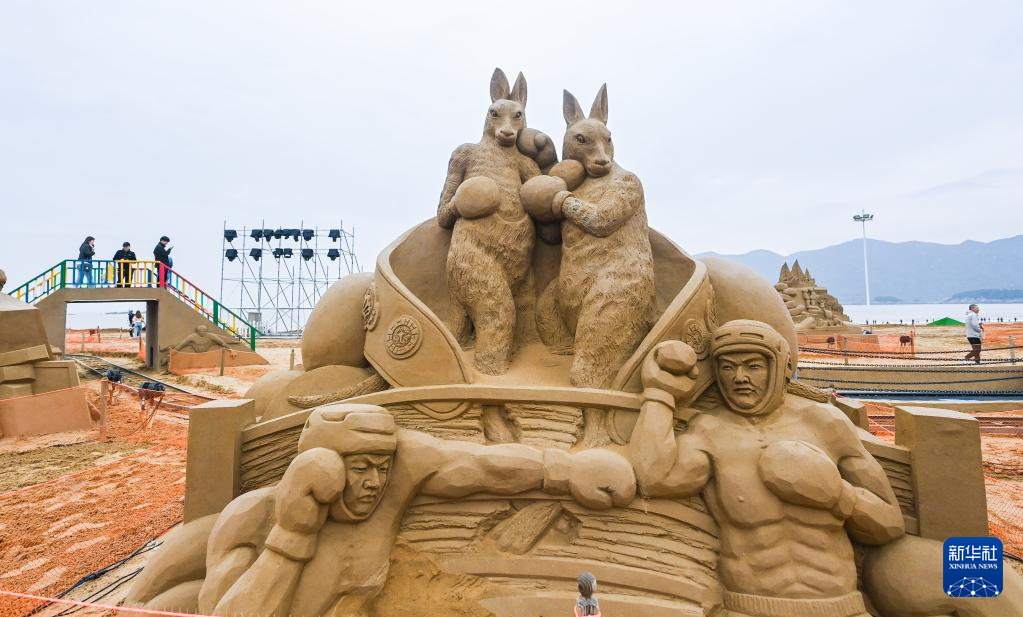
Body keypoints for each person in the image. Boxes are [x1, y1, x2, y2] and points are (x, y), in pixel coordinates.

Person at [628, 321, 904, 617]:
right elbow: (655, 479)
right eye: (727, 367)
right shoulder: (710, 432)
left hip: (842, 607)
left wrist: (838, 495)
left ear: (781, 368)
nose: (739, 378)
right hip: (749, 608)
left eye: (754, 366)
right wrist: (660, 395)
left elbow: (890, 525)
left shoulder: (825, 424)